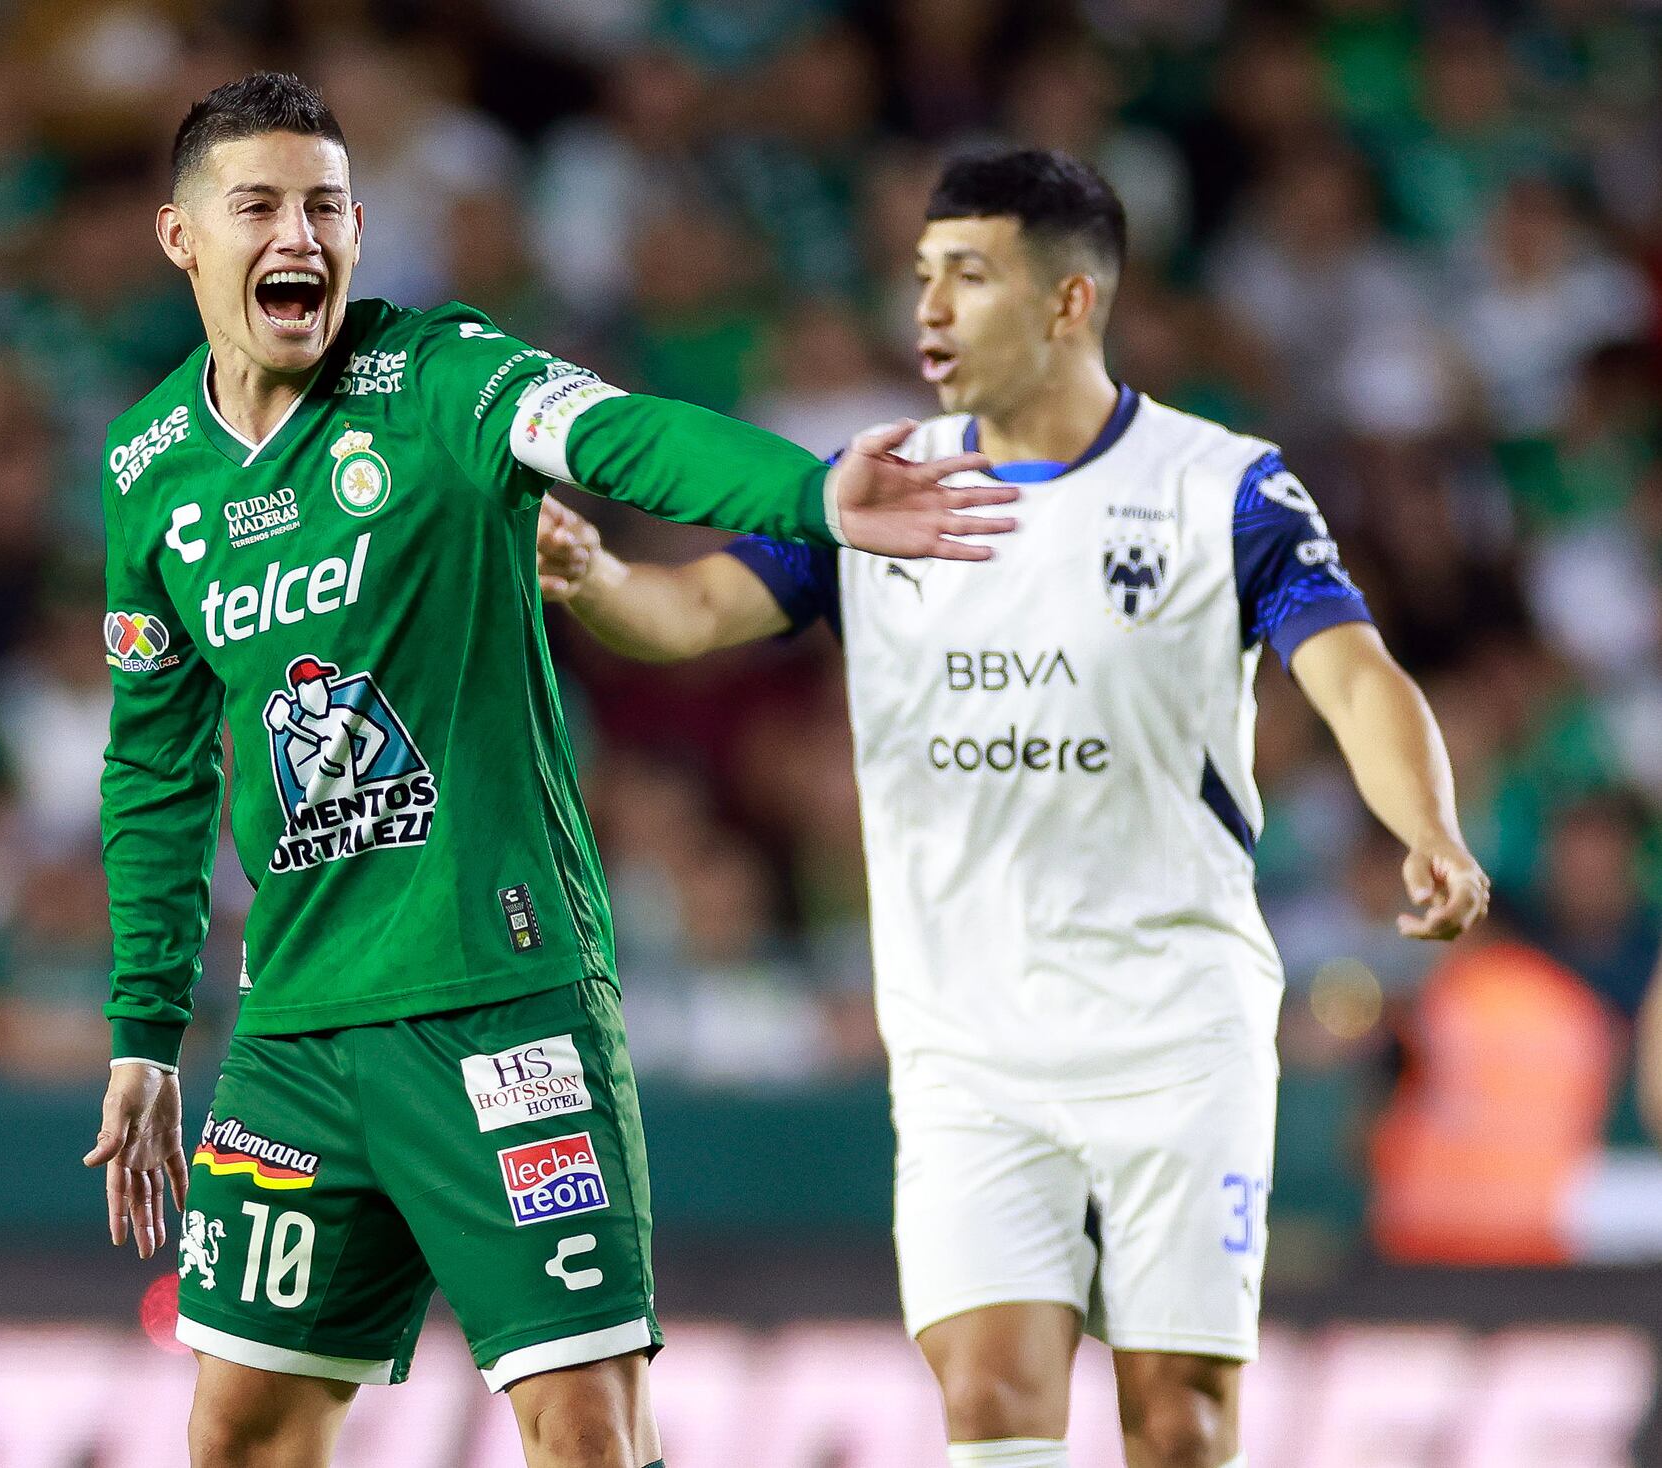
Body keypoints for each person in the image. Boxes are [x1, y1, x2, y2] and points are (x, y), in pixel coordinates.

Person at [79, 72, 1018, 1468]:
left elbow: (622, 435)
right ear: (181, 237)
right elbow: (153, 771)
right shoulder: (149, 469)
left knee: (584, 1428)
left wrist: (811, 494)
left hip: (499, 1003)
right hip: (293, 1037)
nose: (301, 236)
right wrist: (145, 1033)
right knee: (243, 1434)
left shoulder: (439, 376)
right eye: (259, 206)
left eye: (328, 208)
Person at [536, 148, 1491, 1468]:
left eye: (968, 277)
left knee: (1180, 1423)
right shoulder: (875, 487)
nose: (925, 310)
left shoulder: (1225, 487)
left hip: (1175, 1031)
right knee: (989, 1402)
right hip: (965, 1052)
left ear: (1069, 303)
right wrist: (594, 577)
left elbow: (1356, 675)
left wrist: (1427, 828)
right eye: (921, 276)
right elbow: (691, 610)